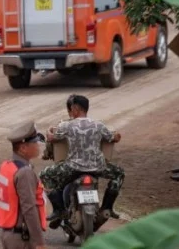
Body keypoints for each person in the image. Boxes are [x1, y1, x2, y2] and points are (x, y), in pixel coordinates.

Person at [39, 94, 124, 222]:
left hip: (73, 167)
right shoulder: (98, 125)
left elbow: (52, 138)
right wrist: (117, 135)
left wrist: (48, 131)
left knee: (44, 175)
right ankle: (107, 207)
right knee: (119, 174)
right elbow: (114, 138)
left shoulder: (66, 126)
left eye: (71, 109)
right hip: (98, 167)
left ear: (75, 109)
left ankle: (59, 210)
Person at [0, 120, 47, 249]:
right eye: (35, 143)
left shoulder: (7, 166)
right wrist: (39, 242)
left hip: (9, 234)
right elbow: (29, 208)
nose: (38, 145)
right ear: (23, 148)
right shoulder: (24, 172)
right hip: (22, 239)